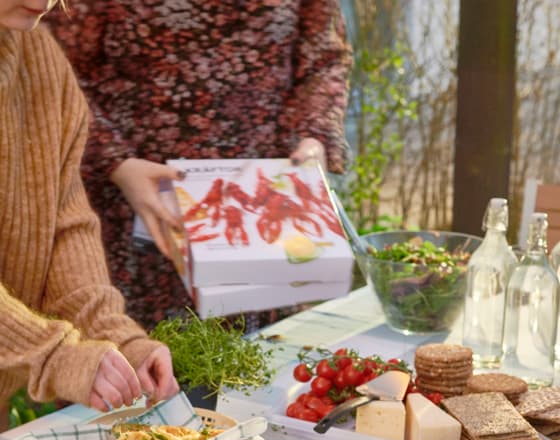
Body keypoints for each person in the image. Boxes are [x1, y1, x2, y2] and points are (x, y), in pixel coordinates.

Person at [47, 1, 353, 332]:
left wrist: (312, 135)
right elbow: (51, 69)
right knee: (142, 363)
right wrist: (114, 160)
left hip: (259, 208)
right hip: (137, 199)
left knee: (259, 363)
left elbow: (325, 57)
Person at [0, 0, 179, 432]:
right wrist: (53, 354)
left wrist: (115, 337)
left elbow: (64, 223)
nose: (44, 2)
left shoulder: (39, 58)